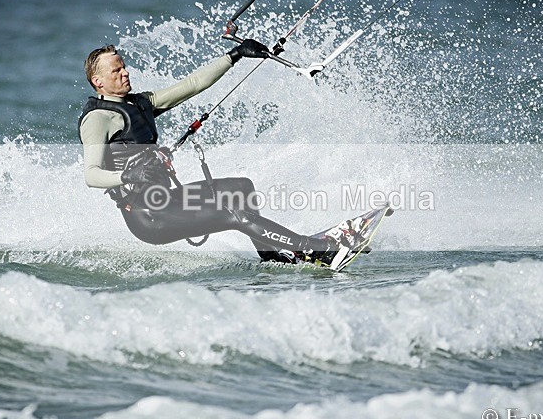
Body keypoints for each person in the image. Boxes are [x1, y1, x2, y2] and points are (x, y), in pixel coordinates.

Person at [78, 41, 359, 263]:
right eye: (116, 71)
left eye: (123, 67)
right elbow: (92, 176)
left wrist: (234, 55)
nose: (125, 72)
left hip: (166, 199)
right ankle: (318, 250)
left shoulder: (140, 103)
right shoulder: (97, 119)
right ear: (98, 81)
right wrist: (128, 174)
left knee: (240, 189)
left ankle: (273, 258)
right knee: (235, 214)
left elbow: (192, 85)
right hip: (148, 215)